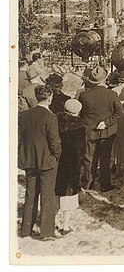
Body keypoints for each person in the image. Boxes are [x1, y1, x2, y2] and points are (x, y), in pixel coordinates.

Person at [18, 85, 61, 240]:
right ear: (50, 98)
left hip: (29, 159)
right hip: (47, 160)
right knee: (47, 195)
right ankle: (46, 232)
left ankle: (26, 229)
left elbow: (21, 138)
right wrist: (57, 155)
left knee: (30, 194)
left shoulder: (24, 115)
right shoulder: (50, 117)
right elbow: (54, 141)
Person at [78, 66, 124, 192]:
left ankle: (88, 183)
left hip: (89, 131)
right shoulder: (112, 94)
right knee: (105, 158)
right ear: (104, 79)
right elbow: (120, 113)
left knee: (89, 158)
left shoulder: (84, 95)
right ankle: (105, 184)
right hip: (107, 132)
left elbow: (80, 114)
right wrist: (106, 122)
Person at [54, 99, 86, 235]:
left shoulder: (55, 120)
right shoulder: (80, 126)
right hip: (71, 162)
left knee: (54, 192)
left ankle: (53, 221)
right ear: (78, 111)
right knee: (68, 194)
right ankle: (66, 225)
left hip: (56, 160)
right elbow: (81, 149)